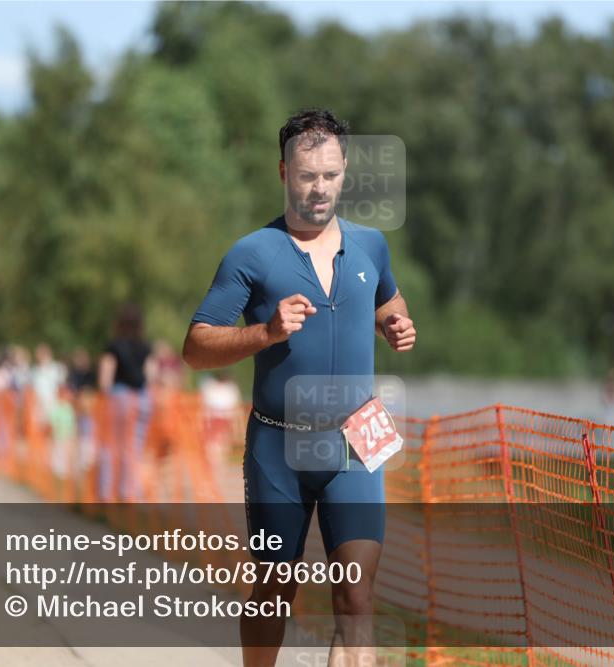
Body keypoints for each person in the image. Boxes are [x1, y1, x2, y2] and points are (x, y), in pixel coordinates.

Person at [182, 108, 416, 667]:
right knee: (272, 595)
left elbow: (388, 298)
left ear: (345, 171)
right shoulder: (252, 253)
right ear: (283, 171)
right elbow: (195, 347)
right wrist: (265, 331)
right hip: (278, 447)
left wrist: (394, 322)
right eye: (307, 175)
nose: (319, 188)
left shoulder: (372, 245)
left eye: (330, 175)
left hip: (358, 441)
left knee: (357, 601)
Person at [98, 303, 155, 502]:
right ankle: (130, 492)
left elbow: (105, 379)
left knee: (112, 445)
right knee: (135, 447)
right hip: (141, 398)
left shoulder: (113, 346)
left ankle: (106, 493)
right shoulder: (146, 347)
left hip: (119, 397)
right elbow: (150, 375)